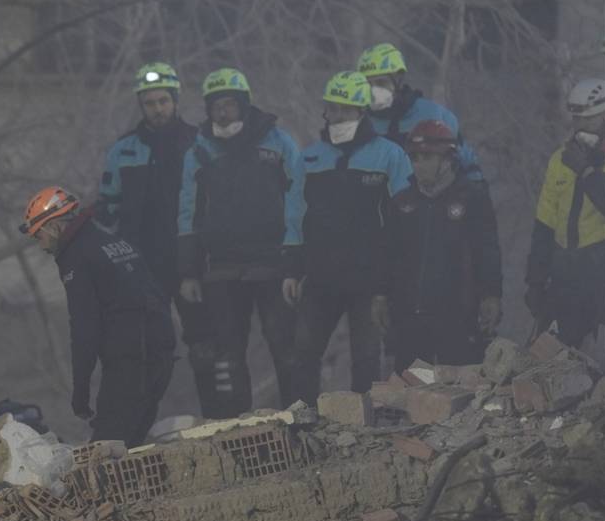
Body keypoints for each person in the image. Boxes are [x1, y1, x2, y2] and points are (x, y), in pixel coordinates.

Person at [176, 68, 301, 415]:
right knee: (228, 355)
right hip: (221, 269)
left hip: (273, 264)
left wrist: (295, 260)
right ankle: (238, 429)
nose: (223, 112)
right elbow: (187, 212)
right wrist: (188, 272)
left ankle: (300, 418)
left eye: (229, 104)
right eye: (216, 106)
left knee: (286, 349)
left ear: (244, 105)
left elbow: (299, 201)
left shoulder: (279, 143)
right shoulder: (198, 152)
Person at [283, 71, 412, 403]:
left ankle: (363, 430)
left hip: (369, 279)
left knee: (367, 359)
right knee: (302, 354)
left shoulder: (390, 155)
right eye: (332, 108)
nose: (337, 116)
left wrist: (395, 274)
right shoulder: (309, 157)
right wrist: (292, 270)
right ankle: (303, 423)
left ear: (361, 111)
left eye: (345, 109)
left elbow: (405, 218)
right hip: (320, 276)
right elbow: (295, 216)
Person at [20, 186, 175, 447]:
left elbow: (84, 328)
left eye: (39, 236)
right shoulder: (112, 241)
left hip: (131, 361)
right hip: (161, 354)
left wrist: (80, 392)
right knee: (134, 448)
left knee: (107, 451)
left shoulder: (76, 256)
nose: (42, 246)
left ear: (54, 226)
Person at [97, 62, 211, 379]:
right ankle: (146, 421)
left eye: (163, 101)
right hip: (142, 264)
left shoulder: (199, 144)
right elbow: (108, 207)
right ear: (141, 106)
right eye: (150, 103)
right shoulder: (124, 150)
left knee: (206, 345)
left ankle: (220, 421)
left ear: (175, 100)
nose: (157, 109)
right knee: (149, 348)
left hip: (192, 263)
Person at [375, 120, 502, 372]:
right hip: (409, 320)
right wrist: (379, 295)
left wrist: (492, 295)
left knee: (460, 397)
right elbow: (387, 255)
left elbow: (487, 251)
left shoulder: (472, 198)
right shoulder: (401, 203)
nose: (418, 164)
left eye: (427, 157)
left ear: (447, 160)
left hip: (459, 319)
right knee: (411, 398)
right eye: (414, 158)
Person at [525, 78, 605, 349]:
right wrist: (535, 280)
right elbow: (545, 223)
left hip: (601, 278)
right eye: (576, 120)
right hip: (565, 276)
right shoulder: (560, 159)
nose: (581, 127)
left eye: (589, 120)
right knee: (546, 361)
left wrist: (586, 172)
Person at [356, 42, 484, 182]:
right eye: (367, 84)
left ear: (398, 79)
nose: (373, 90)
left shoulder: (433, 114)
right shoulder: (358, 124)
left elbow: (466, 163)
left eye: (381, 83)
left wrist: (475, 192)